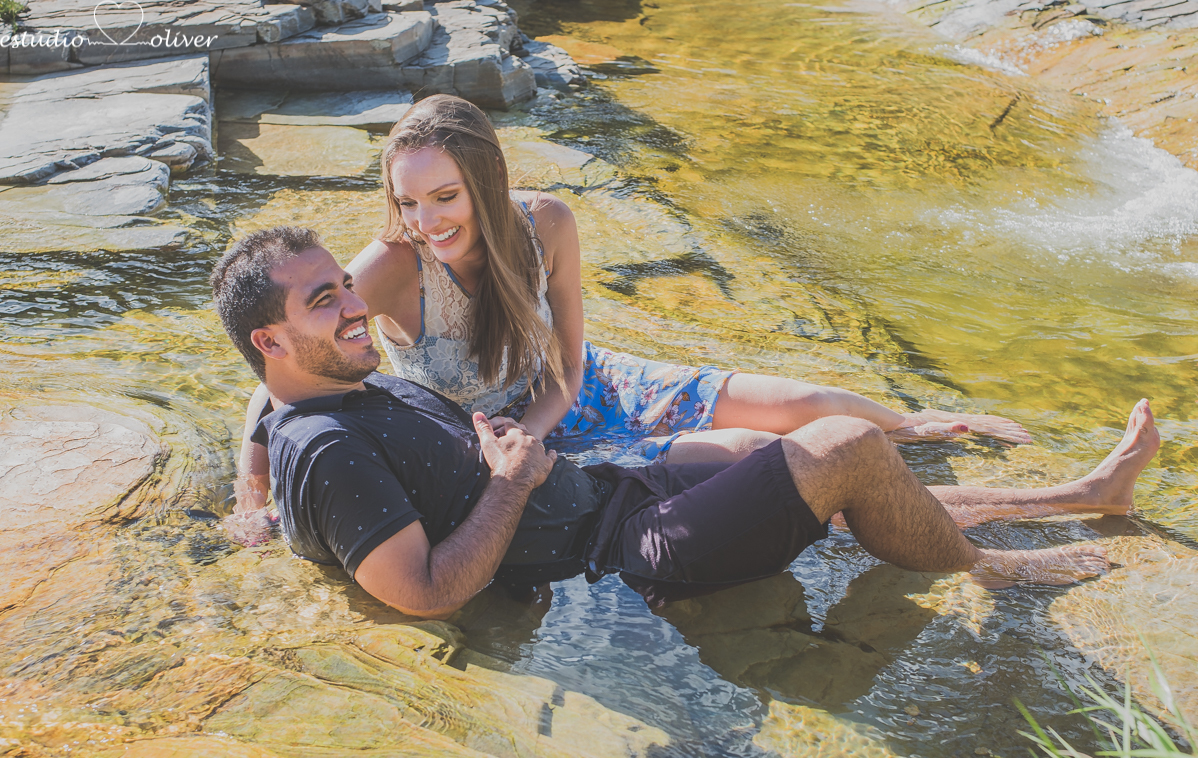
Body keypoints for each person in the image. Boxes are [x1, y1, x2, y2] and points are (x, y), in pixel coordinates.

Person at [210, 227, 1161, 618]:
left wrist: (510, 451)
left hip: (613, 489)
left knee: (765, 444)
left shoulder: (340, 390)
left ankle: (1080, 493)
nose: (351, 305)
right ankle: (993, 570)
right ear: (271, 339)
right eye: (323, 300)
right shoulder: (326, 448)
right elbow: (421, 592)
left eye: (343, 285)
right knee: (845, 446)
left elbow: (267, 410)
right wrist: (510, 481)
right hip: (619, 549)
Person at [233, 95, 1032, 511]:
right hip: (517, 446)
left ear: (486, 181)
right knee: (764, 457)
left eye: (444, 197)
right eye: (408, 203)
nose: (425, 221)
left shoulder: (544, 222)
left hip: (577, 392)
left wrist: (543, 416)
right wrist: (253, 494)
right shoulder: (392, 266)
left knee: (803, 400)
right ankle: (965, 506)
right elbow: (275, 375)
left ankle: (918, 428)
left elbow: (573, 357)